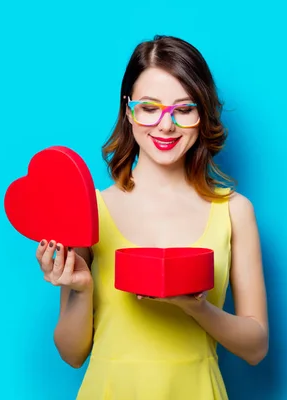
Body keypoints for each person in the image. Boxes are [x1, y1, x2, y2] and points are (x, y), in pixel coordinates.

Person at [35, 35, 269, 399]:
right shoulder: (90, 209)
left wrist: (198, 308)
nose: (165, 125)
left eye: (184, 109)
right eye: (149, 107)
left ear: (202, 113)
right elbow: (71, 353)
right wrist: (81, 289)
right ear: (129, 110)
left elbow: (256, 348)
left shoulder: (235, 211)